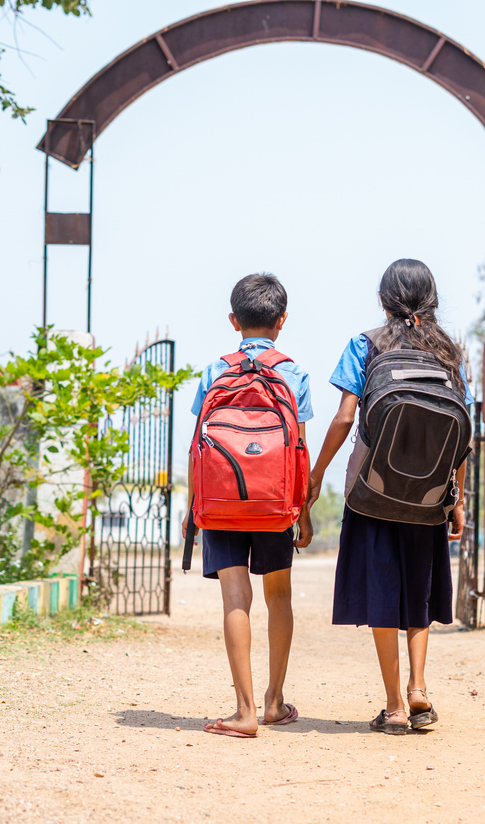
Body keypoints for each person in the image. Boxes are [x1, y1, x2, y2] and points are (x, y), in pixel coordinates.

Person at [307, 258, 471, 734]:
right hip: (428, 498)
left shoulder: (365, 345)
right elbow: (464, 431)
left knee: (383, 594)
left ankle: (395, 706)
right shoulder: (449, 354)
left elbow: (342, 418)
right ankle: (420, 688)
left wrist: (317, 475)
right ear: (432, 300)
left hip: (373, 493)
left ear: (382, 301)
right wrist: (456, 500)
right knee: (418, 592)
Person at [187, 273, 314, 738]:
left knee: (235, 598)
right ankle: (274, 703)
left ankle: (242, 712)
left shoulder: (214, 371)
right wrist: (303, 510)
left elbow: (197, 446)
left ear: (233, 320)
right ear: (282, 321)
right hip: (274, 503)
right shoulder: (293, 373)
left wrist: (192, 507)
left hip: (220, 501)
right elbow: (297, 445)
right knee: (278, 596)